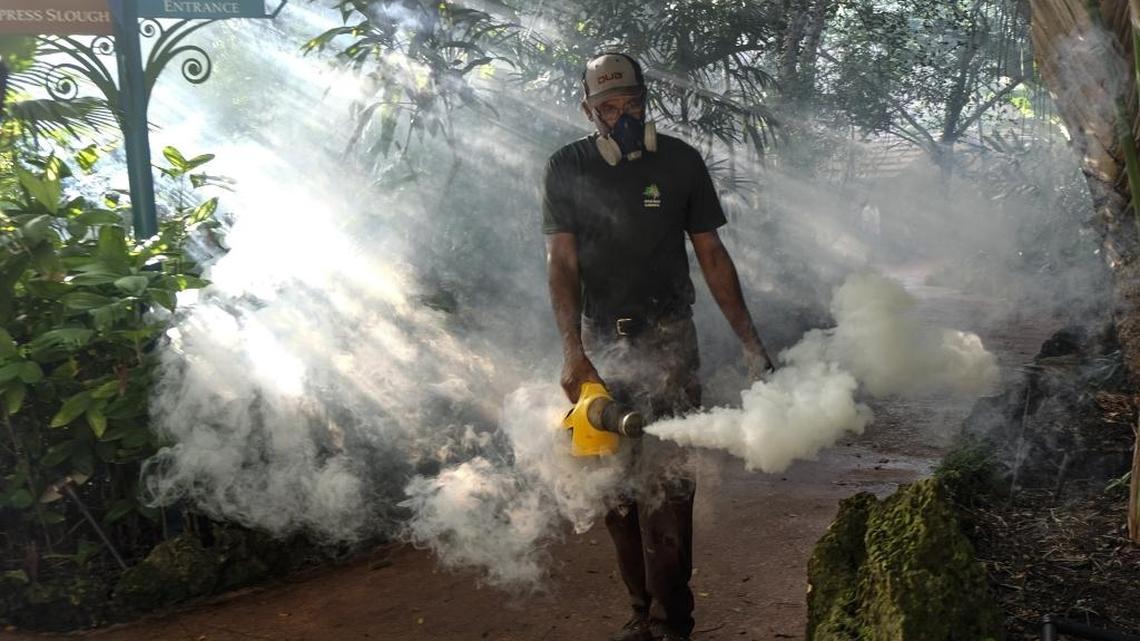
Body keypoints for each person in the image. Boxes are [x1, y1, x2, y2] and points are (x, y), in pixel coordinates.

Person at [542, 52, 773, 641]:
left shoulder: (680, 163)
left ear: (648, 100)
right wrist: (572, 351)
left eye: (632, 105)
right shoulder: (566, 167)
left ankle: (673, 624)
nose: (621, 117)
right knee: (613, 494)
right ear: (588, 110)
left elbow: (712, 255)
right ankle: (640, 613)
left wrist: (750, 342)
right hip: (600, 348)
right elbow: (560, 262)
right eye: (608, 107)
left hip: (670, 340)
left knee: (667, 488)